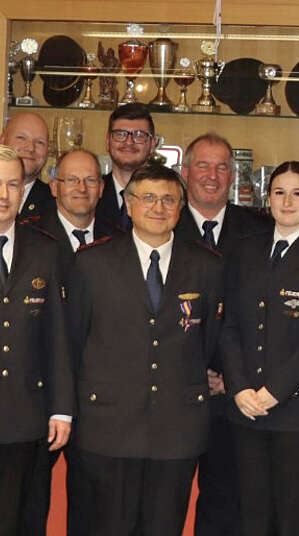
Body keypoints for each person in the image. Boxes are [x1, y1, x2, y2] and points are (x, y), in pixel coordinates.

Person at [67, 163, 224, 536]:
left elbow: (210, 340)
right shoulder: (92, 262)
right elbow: (74, 340)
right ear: (129, 203)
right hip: (109, 427)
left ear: (181, 207)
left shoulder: (206, 264)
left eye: (168, 199)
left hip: (177, 429)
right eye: (148, 198)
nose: (158, 207)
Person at [223, 161, 299, 536]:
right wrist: (239, 386)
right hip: (245, 408)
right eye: (279, 192)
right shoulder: (244, 251)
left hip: (298, 411)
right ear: (267, 197)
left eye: (297, 193)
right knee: (251, 515)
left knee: (296, 517)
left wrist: (275, 391)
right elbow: (227, 325)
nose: (287, 201)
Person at [176, 132, 271, 536]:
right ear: (184, 173)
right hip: (175, 393)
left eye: (221, 167)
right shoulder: (161, 221)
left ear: (233, 175)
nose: (212, 176)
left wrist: (229, 375)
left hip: (236, 395)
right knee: (168, 501)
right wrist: (200, 371)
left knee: (226, 502)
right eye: (202, 165)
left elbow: (260, 313)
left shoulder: (259, 229)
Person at [21, 149, 112, 536]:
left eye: (90, 180)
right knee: (30, 502)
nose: (81, 187)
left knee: (94, 508)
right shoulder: (28, 238)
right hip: (38, 396)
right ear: (54, 186)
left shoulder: (118, 239)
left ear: (102, 188)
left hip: (100, 401)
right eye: (71, 179)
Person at [0, 145, 73, 535]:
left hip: (26, 415)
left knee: (25, 520)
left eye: (13, 184)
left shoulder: (44, 248)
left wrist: (61, 408)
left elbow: (56, 334)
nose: (4, 195)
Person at [95, 103, 157, 231]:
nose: (129, 142)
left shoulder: (165, 197)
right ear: (107, 141)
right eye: (120, 134)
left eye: (139, 135)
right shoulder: (91, 193)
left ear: (152, 145)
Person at [0, 111, 53, 219]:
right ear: (2, 141)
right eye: (21, 138)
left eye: (40, 142)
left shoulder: (56, 204)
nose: (30, 148)